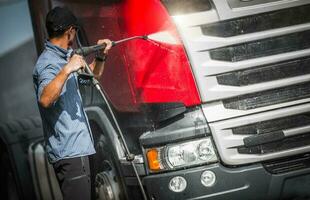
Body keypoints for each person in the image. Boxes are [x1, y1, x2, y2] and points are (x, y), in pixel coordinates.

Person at [32, 7, 112, 200]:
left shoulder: (66, 57)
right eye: (75, 31)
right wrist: (67, 69)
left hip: (82, 150)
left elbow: (91, 78)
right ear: (70, 31)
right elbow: (45, 99)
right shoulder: (48, 63)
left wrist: (101, 55)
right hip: (70, 156)